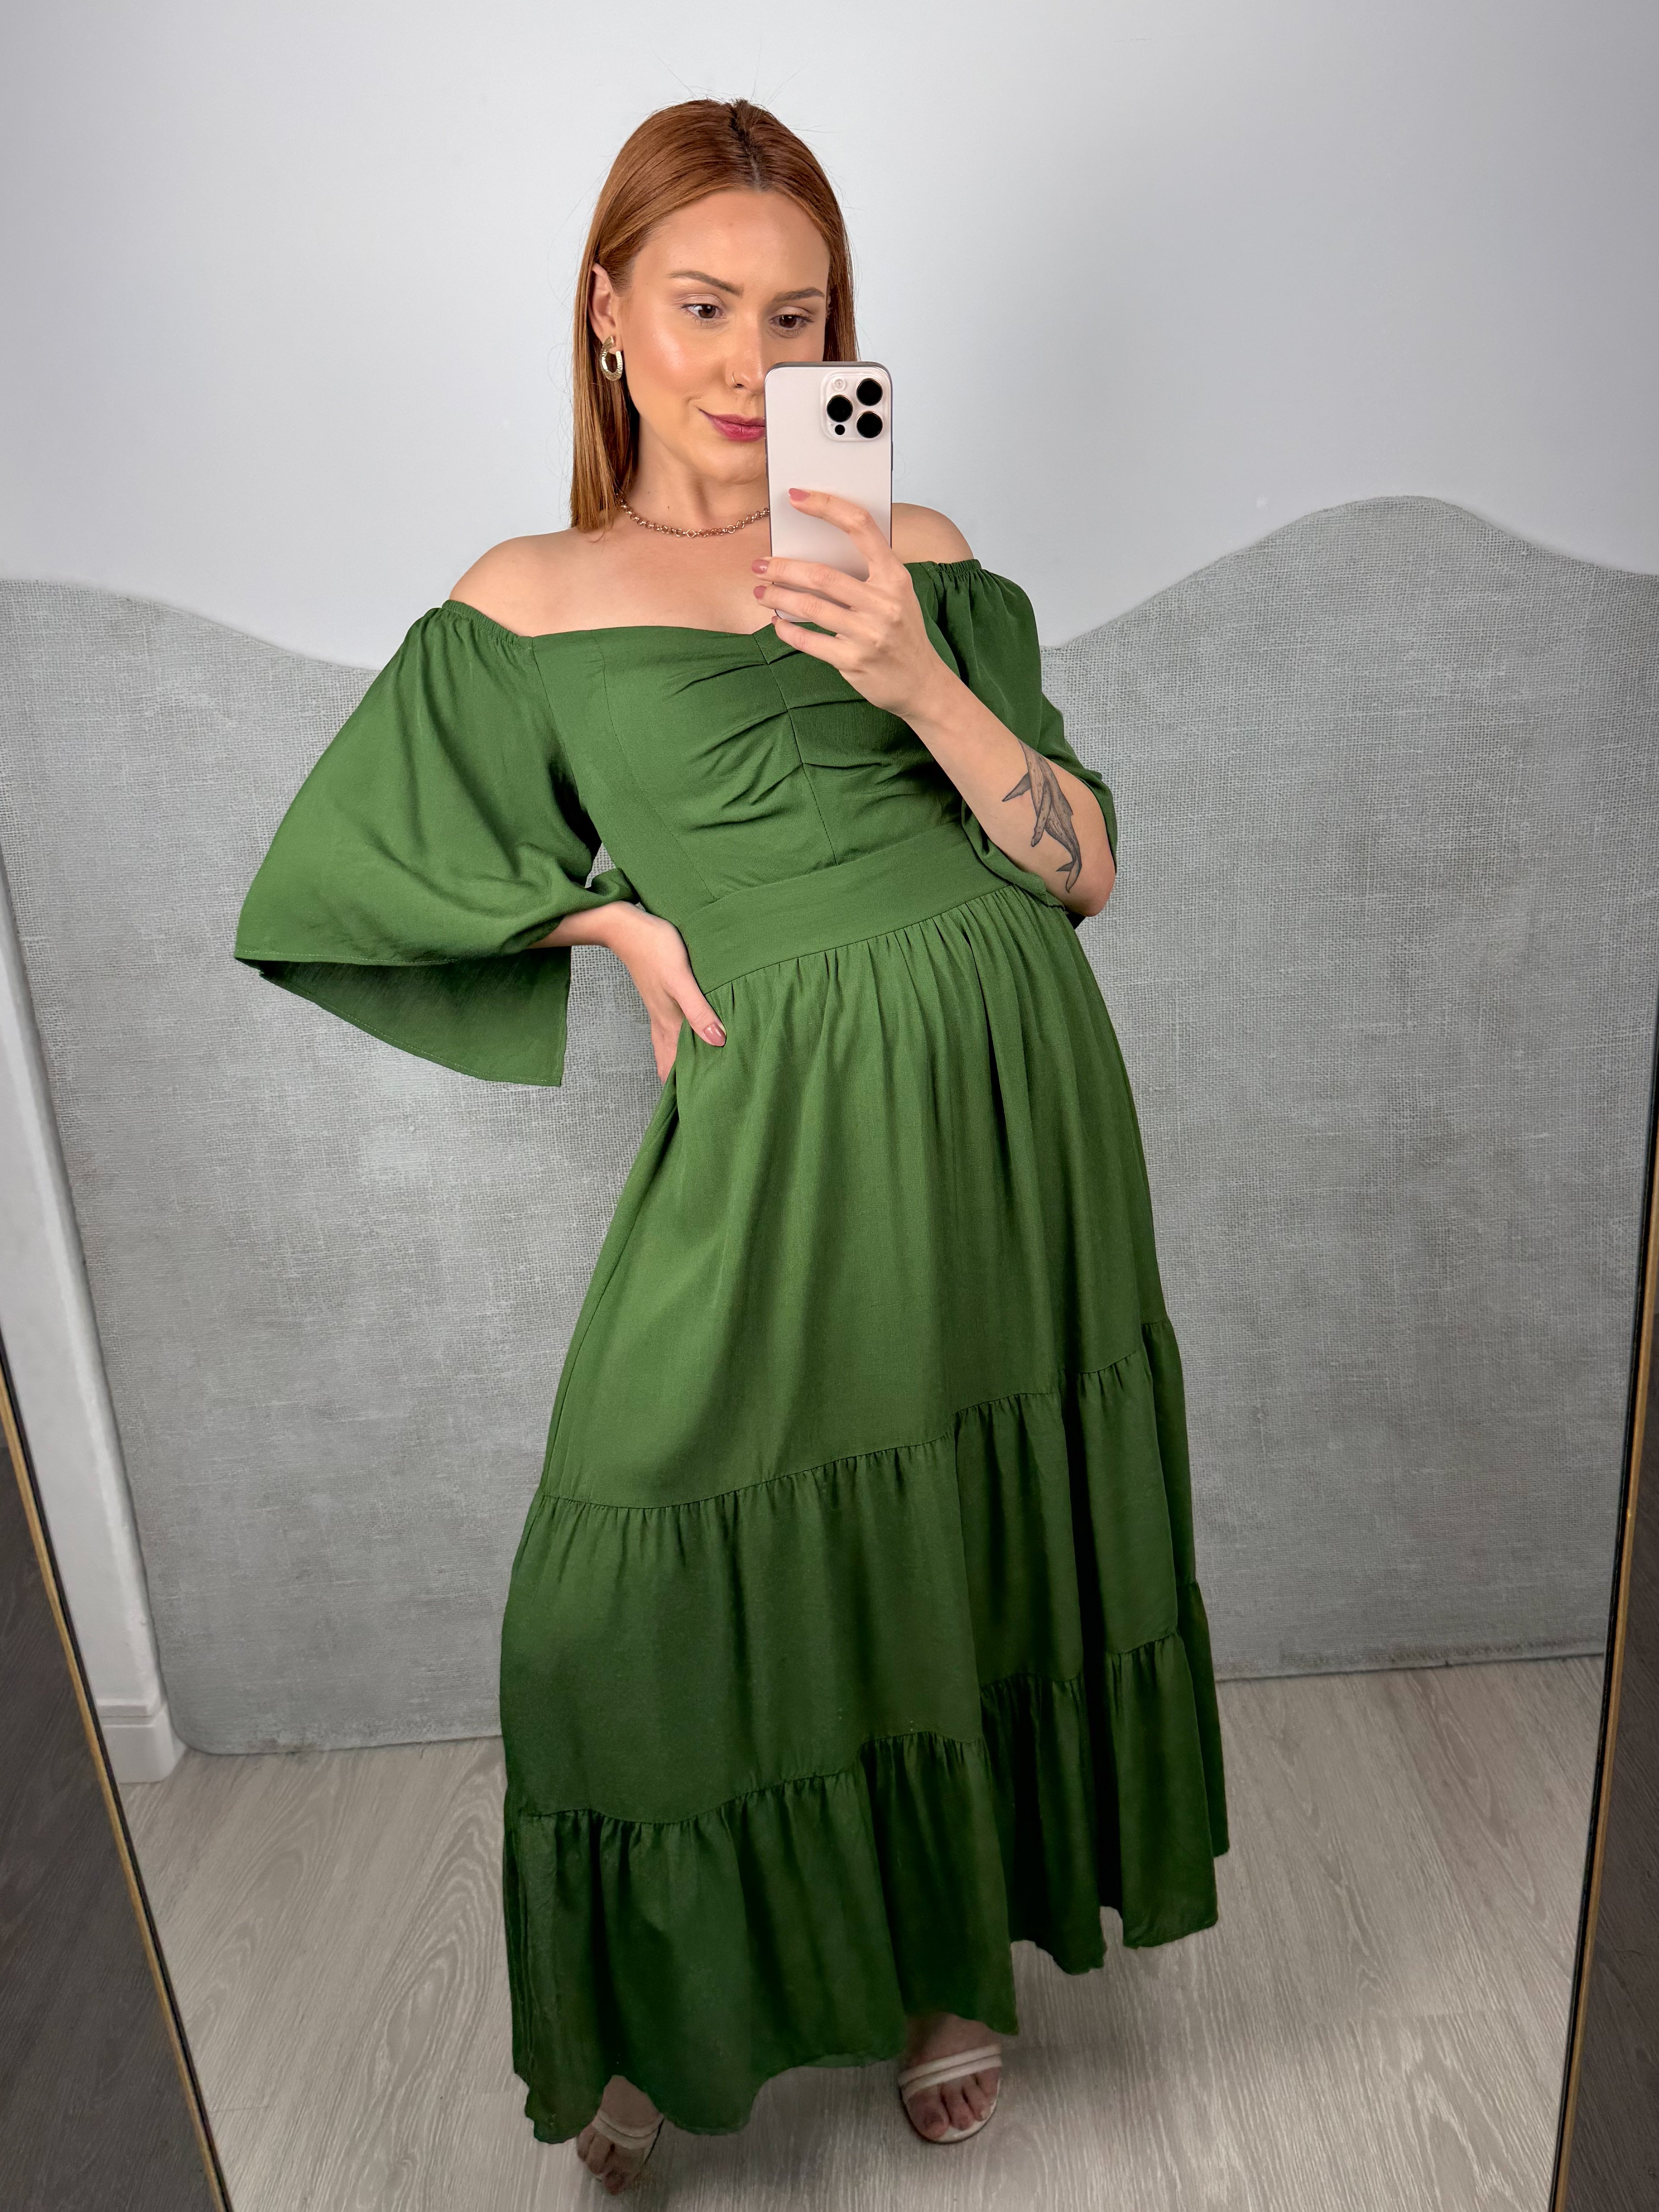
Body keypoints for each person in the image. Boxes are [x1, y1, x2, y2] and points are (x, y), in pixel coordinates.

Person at [235, 96, 1227, 2197]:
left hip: (1007, 1086)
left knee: (963, 1517)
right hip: (774, 1114)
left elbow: (1081, 865)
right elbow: (335, 874)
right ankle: (641, 2000)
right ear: (607, 311)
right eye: (700, 305)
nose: (745, 358)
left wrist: (917, 674)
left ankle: (948, 1975)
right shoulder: (529, 596)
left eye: (795, 317)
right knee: (611, 1582)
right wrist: (597, 917)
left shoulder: (914, 549)